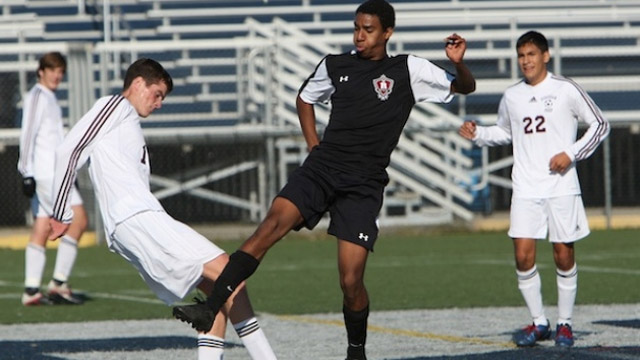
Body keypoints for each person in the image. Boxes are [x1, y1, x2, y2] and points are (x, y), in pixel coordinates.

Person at [172, 1, 475, 359]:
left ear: (388, 32)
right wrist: (314, 146)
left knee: (350, 281)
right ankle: (210, 307)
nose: (360, 36)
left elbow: (465, 87)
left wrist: (457, 62)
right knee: (269, 226)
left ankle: (356, 350)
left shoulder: (409, 68)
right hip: (322, 169)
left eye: (369, 29)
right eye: (356, 28)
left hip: (363, 184)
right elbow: (304, 98)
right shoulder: (335, 64)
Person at [47, 58, 276, 360]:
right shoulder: (115, 105)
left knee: (221, 294)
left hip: (137, 221)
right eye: (157, 94)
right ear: (138, 84)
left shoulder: (125, 120)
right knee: (230, 274)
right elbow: (70, 150)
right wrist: (60, 212)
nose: (159, 104)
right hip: (137, 219)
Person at [458, 30, 610, 347]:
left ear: (545, 56)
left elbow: (600, 124)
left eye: (531, 54)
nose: (526, 61)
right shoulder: (512, 96)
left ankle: (565, 323)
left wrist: (569, 154)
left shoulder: (565, 89)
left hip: (561, 186)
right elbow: (503, 132)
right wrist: (477, 134)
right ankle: (539, 321)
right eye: (521, 56)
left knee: (563, 254)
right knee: (523, 256)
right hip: (525, 187)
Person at [17, 52, 88, 306]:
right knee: (78, 220)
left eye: (61, 71)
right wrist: (26, 171)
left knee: (42, 226)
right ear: (41, 71)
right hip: (47, 173)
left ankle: (31, 291)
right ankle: (58, 284)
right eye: (53, 70)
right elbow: (28, 135)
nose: (57, 75)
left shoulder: (50, 98)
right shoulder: (37, 96)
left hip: (55, 173)